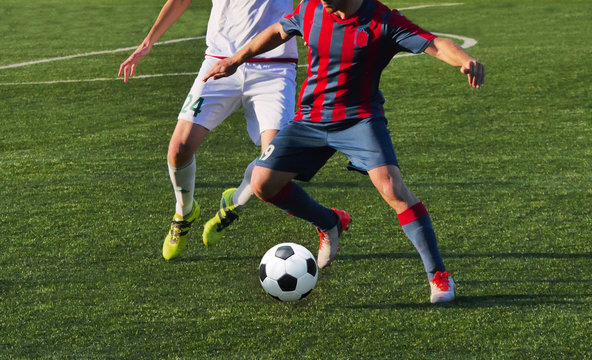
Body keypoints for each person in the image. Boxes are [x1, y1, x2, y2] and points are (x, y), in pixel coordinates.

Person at [203, 0, 485, 303]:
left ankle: (439, 276)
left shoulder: (381, 20)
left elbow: (435, 44)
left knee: (393, 189)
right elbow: (277, 30)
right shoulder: (310, 9)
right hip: (310, 118)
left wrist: (464, 60)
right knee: (262, 183)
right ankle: (329, 221)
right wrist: (236, 59)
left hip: (359, 119)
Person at [118, 0, 298, 260]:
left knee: (274, 164)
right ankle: (184, 212)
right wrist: (148, 42)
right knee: (179, 149)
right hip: (219, 60)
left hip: (274, 65)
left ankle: (233, 204)